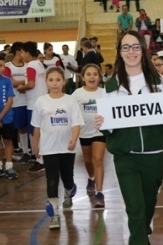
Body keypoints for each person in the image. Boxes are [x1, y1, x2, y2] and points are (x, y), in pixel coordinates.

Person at [95, 30, 163, 245]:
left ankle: (142, 236)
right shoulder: (110, 86)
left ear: (142, 50)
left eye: (135, 47)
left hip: (154, 156)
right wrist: (102, 123)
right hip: (125, 157)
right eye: (125, 48)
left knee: (148, 206)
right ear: (119, 52)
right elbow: (107, 125)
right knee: (134, 209)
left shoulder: (158, 83)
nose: (130, 52)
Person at [31, 67, 83, 229]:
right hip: (49, 148)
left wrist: (74, 140)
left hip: (67, 147)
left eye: (58, 80)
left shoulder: (70, 100)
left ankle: (69, 192)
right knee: (52, 180)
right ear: (46, 82)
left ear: (64, 81)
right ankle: (54, 214)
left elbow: (76, 123)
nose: (54, 83)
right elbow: (37, 127)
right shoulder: (41, 102)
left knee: (67, 179)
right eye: (51, 80)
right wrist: (35, 146)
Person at [72, 64, 106, 207]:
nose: (92, 77)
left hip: (100, 132)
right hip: (84, 133)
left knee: (97, 159)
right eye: (88, 74)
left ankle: (99, 192)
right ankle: (90, 177)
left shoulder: (105, 93)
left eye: (95, 74)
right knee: (87, 161)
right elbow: (71, 113)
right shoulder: (77, 94)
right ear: (83, 77)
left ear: (99, 77)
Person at [22, 41, 48, 174]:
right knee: (41, 133)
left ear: (27, 53)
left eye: (22, 52)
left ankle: (40, 160)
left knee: (35, 133)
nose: (21, 55)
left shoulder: (30, 66)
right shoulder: (39, 64)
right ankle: (42, 158)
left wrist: (21, 87)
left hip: (33, 104)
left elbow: (31, 84)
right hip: (42, 101)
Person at [3, 42, 29, 163]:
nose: (25, 54)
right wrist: (27, 82)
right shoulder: (8, 66)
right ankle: (25, 151)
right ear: (19, 52)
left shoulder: (28, 65)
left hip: (28, 101)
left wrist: (25, 83)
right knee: (20, 129)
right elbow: (11, 82)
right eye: (24, 52)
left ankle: (32, 152)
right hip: (16, 102)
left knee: (29, 128)